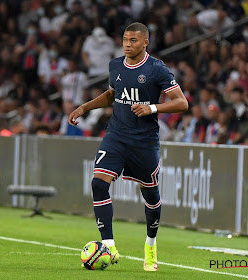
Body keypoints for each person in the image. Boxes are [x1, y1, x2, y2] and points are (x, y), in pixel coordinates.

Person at [68, 22, 188, 271]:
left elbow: (182, 103)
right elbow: (112, 94)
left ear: (145, 42)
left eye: (133, 40)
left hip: (144, 142)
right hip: (117, 136)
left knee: (151, 196)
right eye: (124, 39)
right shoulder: (115, 65)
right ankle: (109, 246)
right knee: (98, 183)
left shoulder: (157, 69)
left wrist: (152, 108)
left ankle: (151, 244)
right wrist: (84, 107)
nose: (127, 44)